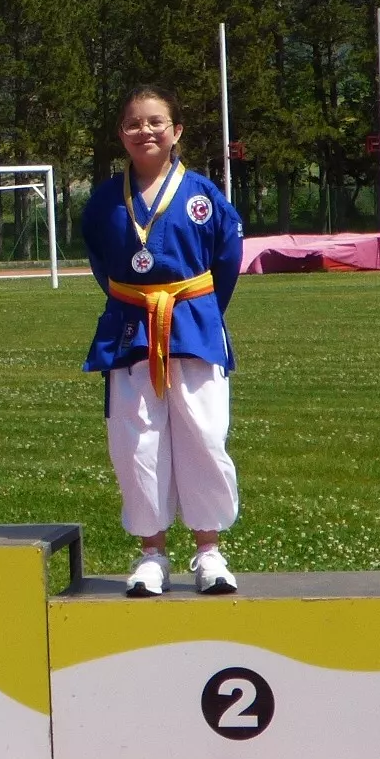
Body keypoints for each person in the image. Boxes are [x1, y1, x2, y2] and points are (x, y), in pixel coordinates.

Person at [81, 86, 244, 598]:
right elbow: (101, 264)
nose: (144, 131)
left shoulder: (201, 194)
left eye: (156, 122)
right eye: (133, 123)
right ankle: (152, 552)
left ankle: (208, 550)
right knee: (136, 441)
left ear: (176, 132)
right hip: (130, 326)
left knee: (203, 434)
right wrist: (136, 302)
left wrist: (200, 310)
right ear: (120, 135)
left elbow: (228, 259)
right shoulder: (106, 199)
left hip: (192, 321)